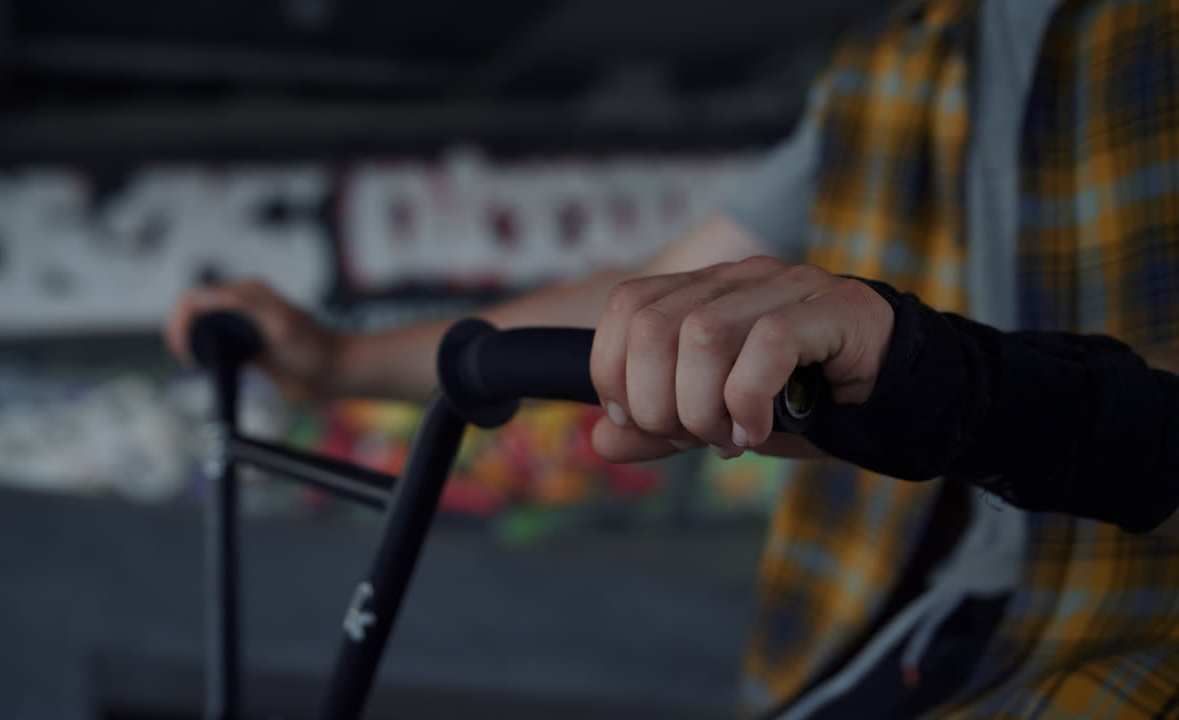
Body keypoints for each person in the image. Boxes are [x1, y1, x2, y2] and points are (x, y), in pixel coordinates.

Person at [166, 0, 1179, 716]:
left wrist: (939, 381)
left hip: (1129, 632)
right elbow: (660, 288)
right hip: (898, 612)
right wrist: (339, 361)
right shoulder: (895, 60)